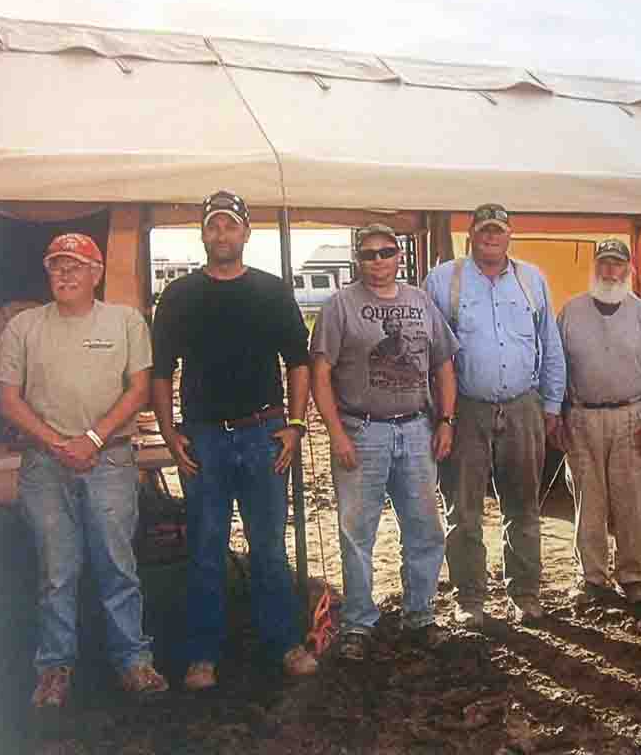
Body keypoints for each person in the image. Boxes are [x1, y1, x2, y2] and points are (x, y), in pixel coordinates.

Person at [151, 190, 318, 690]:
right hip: (204, 440)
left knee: (268, 548)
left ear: (246, 233)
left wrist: (294, 424)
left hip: (264, 433)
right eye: (213, 226)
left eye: (230, 226)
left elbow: (299, 362)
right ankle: (202, 656)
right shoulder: (179, 295)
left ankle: (285, 643)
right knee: (205, 547)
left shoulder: (271, 291)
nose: (221, 234)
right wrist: (167, 429)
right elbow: (160, 371)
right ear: (203, 234)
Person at [0, 233, 167, 708]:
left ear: (97, 273)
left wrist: (91, 439)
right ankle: (54, 668)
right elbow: (8, 398)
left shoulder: (126, 321)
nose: (65, 274)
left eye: (76, 266)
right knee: (56, 570)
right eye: (56, 266)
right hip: (44, 465)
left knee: (118, 564)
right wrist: (57, 443)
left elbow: (138, 389)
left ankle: (133, 660)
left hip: (109, 459)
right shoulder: (23, 327)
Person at [310, 224, 459, 659]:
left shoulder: (420, 302)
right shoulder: (339, 306)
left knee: (425, 528)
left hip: (416, 428)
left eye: (386, 252)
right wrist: (336, 432)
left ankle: (421, 614)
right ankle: (358, 623)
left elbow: (444, 366)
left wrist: (446, 421)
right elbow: (320, 374)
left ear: (400, 257)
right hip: (363, 429)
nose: (378, 261)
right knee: (357, 532)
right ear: (358, 260)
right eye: (369, 254)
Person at [424, 203, 566, 628]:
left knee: (523, 506)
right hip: (465, 409)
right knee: (463, 510)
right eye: (484, 230)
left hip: (524, 405)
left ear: (509, 236)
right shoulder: (443, 280)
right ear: (471, 234)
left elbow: (550, 344)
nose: (491, 237)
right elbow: (429, 353)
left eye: (498, 230)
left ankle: (524, 593)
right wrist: (440, 415)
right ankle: (470, 598)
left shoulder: (531, 279)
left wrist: (553, 405)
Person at [557, 238, 641, 605]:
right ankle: (591, 577)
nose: (610, 271)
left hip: (631, 418)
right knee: (588, 502)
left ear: (629, 270)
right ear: (595, 267)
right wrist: (556, 415)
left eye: (617, 264)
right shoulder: (571, 312)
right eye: (604, 263)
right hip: (582, 418)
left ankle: (632, 574)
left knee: (632, 500)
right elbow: (555, 368)